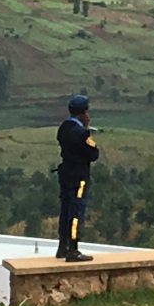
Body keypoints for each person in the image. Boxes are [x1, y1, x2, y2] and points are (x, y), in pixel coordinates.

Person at [56, 94, 99, 262]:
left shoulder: (63, 128)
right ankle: (73, 250)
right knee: (76, 212)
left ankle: (62, 246)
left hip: (65, 173)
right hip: (79, 177)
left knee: (65, 210)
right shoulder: (81, 133)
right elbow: (93, 153)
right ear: (83, 113)